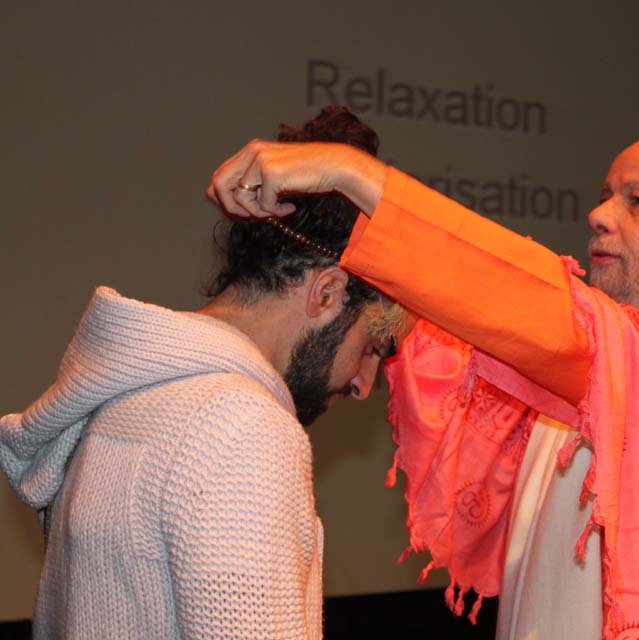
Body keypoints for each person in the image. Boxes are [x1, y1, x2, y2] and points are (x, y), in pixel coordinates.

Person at [208, 132, 639, 640]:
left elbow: (519, 298)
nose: (599, 214)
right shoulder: (617, 355)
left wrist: (348, 171)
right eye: (605, 194)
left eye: (637, 201)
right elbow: (473, 328)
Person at [0, 106, 402, 639]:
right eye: (374, 346)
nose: (364, 383)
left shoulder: (115, 399)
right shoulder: (239, 428)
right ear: (327, 293)